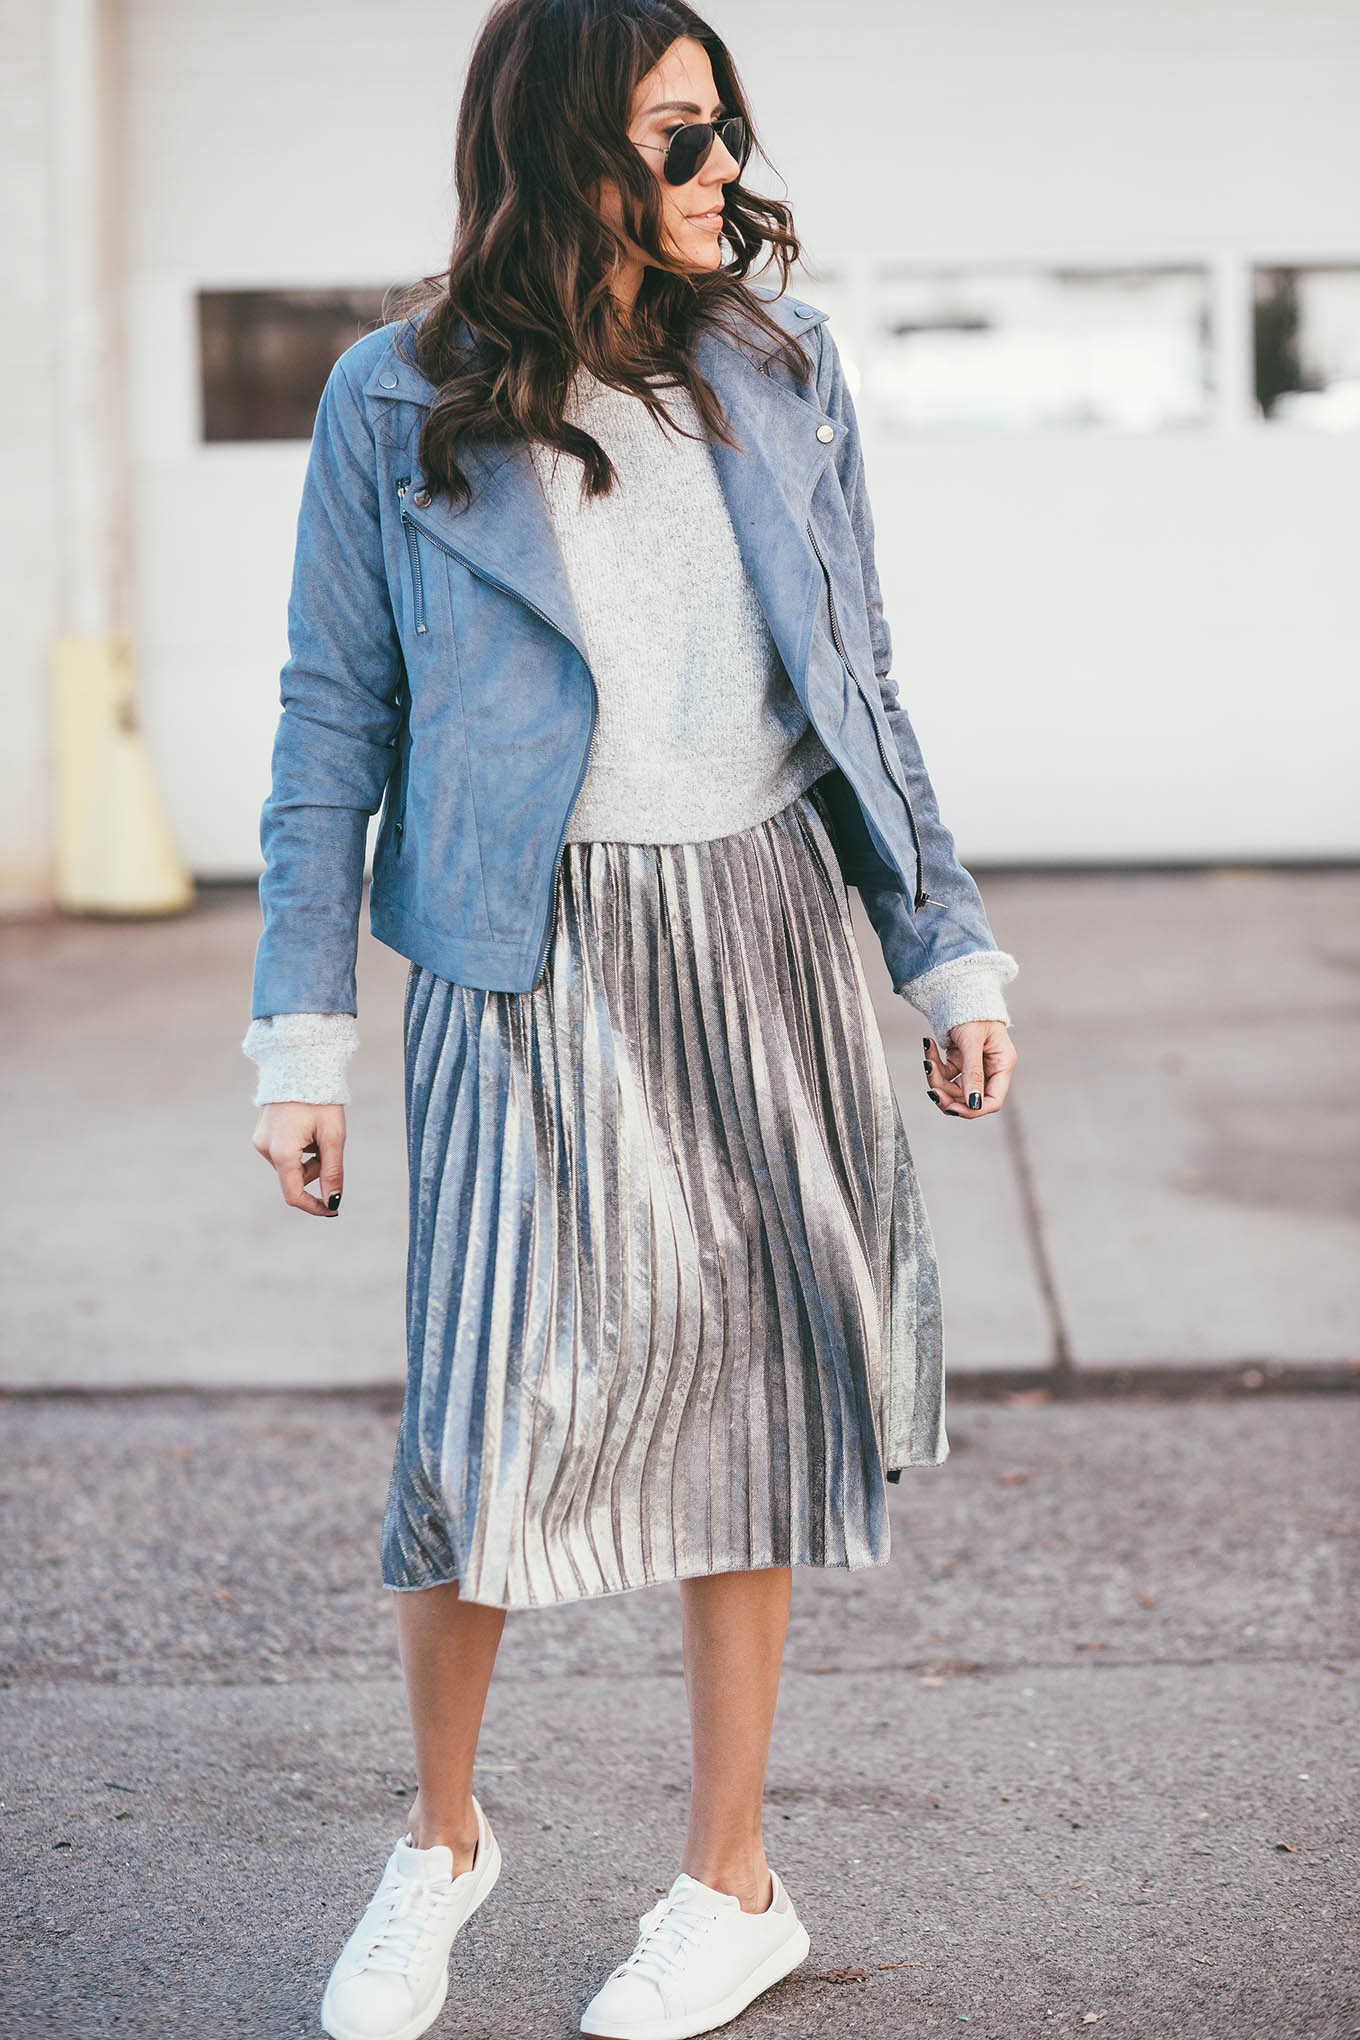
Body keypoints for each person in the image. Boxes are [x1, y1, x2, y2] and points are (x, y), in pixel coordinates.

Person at [243, 2, 1019, 2035]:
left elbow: (857, 669)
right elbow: (333, 720)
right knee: (484, 1407)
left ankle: (730, 1878)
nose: (718, 173)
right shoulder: (393, 397)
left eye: (725, 132)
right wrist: (298, 1037)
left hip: (759, 913)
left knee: (752, 1395)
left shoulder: (774, 364)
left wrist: (939, 942)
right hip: (523, 939)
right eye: (676, 137)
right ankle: (436, 1846)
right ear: (567, 144)